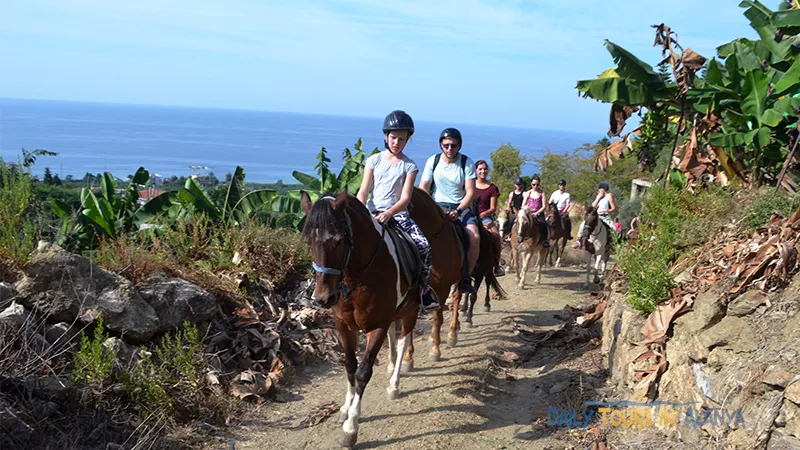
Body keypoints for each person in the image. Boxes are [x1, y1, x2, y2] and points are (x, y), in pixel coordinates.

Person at [357, 110, 439, 311]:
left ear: (407, 140)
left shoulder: (409, 166)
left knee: (424, 246)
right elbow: (364, 190)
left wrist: (389, 213)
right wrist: (361, 211)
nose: (396, 142)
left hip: (397, 215)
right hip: (372, 212)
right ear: (386, 136)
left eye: (402, 139)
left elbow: (405, 199)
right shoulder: (374, 160)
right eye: (393, 137)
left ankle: (423, 290)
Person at [419, 127, 478, 294]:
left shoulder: (467, 163)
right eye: (446, 145)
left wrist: (458, 211)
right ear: (441, 145)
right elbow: (424, 188)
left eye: (453, 145)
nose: (449, 149)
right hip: (437, 205)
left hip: (460, 206)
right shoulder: (433, 161)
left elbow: (471, 192)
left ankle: (465, 278)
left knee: (474, 237)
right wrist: (431, 208)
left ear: (459, 146)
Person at [474, 160, 505, 277]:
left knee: (496, 236)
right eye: (480, 169)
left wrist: (483, 214)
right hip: (470, 216)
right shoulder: (469, 185)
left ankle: (497, 265)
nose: (483, 171)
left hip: (485, 218)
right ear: (476, 170)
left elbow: (492, 208)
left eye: (485, 169)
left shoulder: (492, 188)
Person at [573, 181, 617, 249]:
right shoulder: (598, 196)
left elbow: (614, 208)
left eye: (600, 189)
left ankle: (611, 244)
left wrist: (606, 210)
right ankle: (579, 240)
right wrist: (598, 198)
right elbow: (593, 205)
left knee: (613, 228)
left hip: (604, 216)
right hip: (595, 216)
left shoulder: (609, 196)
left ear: (603, 189)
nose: (599, 190)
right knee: (583, 224)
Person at [520, 175, 549, 247]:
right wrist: (526, 212)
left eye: (537, 184)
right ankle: (513, 236)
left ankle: (544, 240)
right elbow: (523, 204)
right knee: (518, 222)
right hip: (528, 213)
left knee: (544, 224)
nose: (535, 186)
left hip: (538, 213)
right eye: (534, 184)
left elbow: (544, 206)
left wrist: (536, 213)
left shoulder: (542, 193)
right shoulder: (528, 193)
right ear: (531, 184)